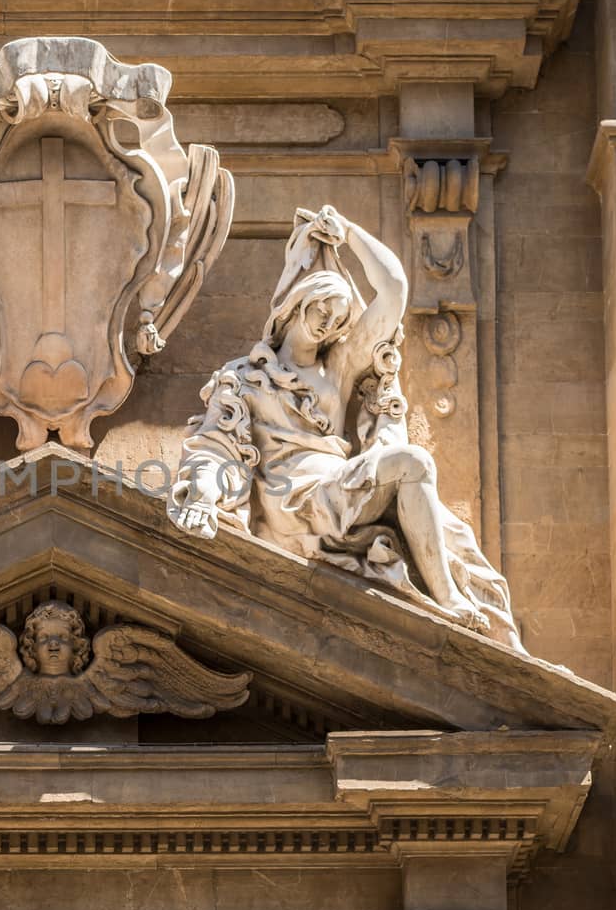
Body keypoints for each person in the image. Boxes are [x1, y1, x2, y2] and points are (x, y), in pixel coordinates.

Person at [168, 206, 521, 649]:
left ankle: (448, 598)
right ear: (298, 303)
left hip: (336, 483)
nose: (329, 324)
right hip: (291, 498)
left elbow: (393, 292)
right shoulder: (244, 378)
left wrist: (350, 232)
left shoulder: (337, 370)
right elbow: (215, 448)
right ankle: (446, 596)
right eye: (323, 310)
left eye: (338, 319)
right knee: (412, 462)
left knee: (413, 462)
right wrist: (201, 489)